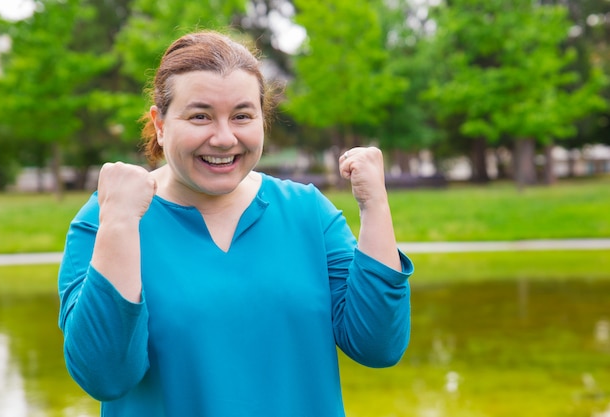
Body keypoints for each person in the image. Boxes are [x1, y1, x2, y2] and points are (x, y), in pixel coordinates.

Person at [57, 30, 414, 417]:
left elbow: (379, 346)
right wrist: (120, 224)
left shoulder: (308, 212)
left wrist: (374, 205)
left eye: (242, 116)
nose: (225, 138)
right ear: (160, 124)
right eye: (200, 116)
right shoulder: (104, 221)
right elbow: (106, 377)